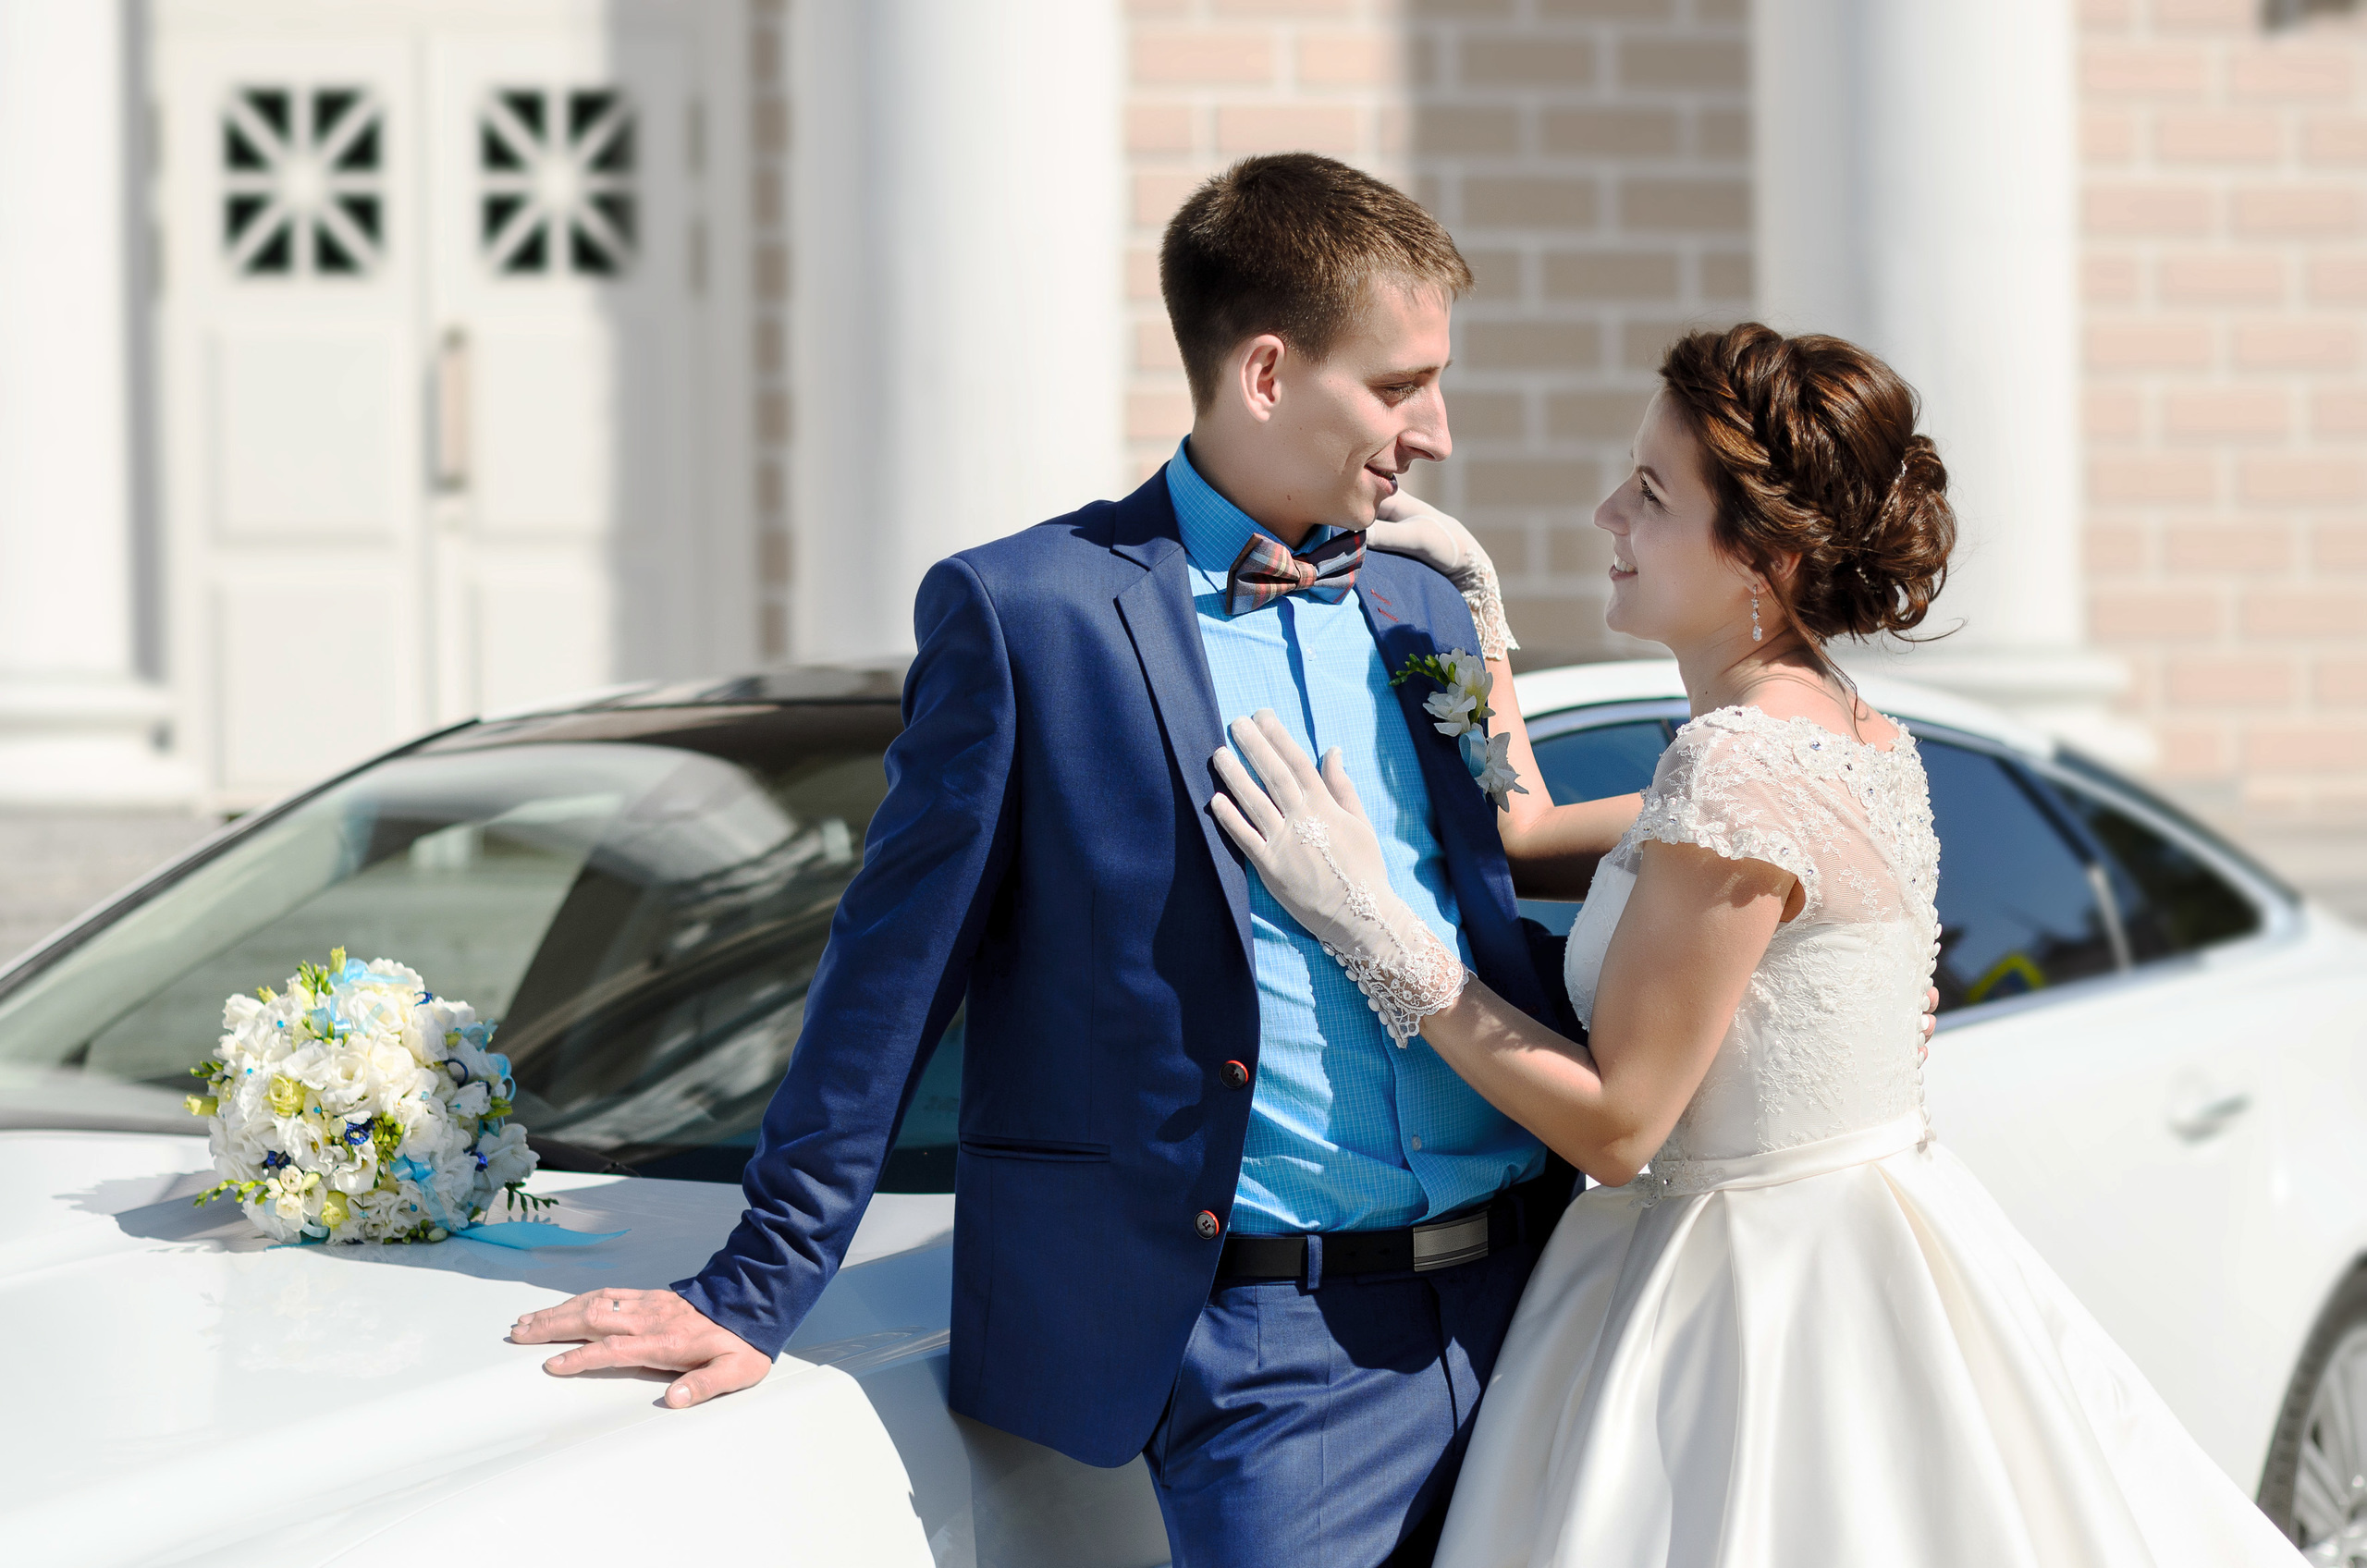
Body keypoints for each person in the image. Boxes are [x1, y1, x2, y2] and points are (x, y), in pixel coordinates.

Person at [511, 153, 1600, 1567]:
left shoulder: (1419, 605)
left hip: (1542, 1297)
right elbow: (894, 971)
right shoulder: (1029, 614)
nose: (1436, 431)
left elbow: (1511, 894)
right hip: (1274, 1358)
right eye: (1400, 386)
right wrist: (757, 1281)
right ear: (1267, 373)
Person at [1208, 323, 2310, 1564]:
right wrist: (1477, 614)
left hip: (1755, 1299)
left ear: (1765, 559)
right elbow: (1521, 832)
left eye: (1651, 493)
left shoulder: (1747, 768)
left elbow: (1620, 1127)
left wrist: (1370, 927)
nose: (1606, 512)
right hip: (1863, 1233)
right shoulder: (1837, 729)